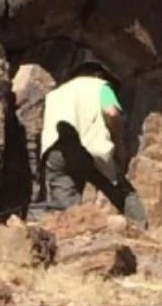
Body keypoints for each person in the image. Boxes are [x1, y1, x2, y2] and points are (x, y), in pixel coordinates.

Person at [38, 59, 148, 226]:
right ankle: (142, 234)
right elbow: (111, 113)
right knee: (124, 194)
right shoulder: (100, 86)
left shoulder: (56, 93)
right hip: (89, 147)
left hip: (55, 151)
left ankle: (71, 244)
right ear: (98, 74)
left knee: (67, 212)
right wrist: (119, 147)